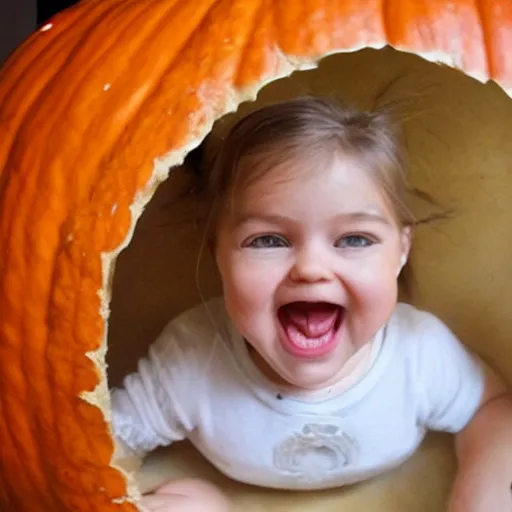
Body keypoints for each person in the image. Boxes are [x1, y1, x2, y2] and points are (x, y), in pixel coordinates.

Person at [110, 97, 512, 512]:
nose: (311, 269)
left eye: (355, 239)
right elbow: (103, 444)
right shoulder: (191, 356)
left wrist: (479, 492)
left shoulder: (420, 352)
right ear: (219, 253)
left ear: (401, 251)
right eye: (268, 240)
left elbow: (492, 408)